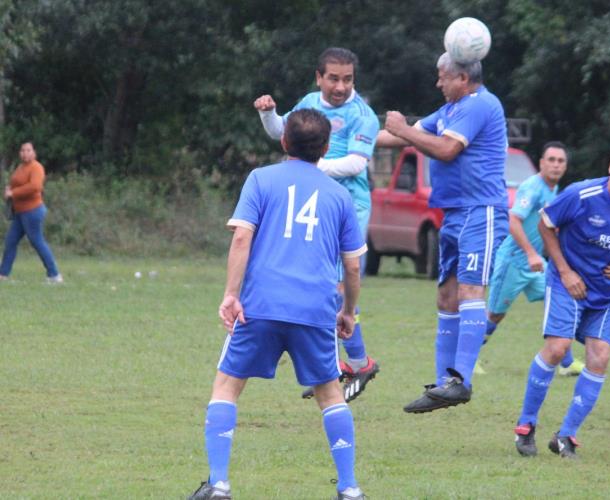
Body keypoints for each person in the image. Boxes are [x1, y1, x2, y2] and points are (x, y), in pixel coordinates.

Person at [187, 109, 367, 500]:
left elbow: (241, 240)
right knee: (330, 394)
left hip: (261, 306)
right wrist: (348, 312)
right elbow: (352, 266)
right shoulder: (339, 195)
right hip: (314, 310)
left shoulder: (260, 179)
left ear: (284, 141)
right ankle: (349, 489)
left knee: (227, 386)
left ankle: (218, 484)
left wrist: (231, 295)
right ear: (325, 149)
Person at [376, 52, 509, 413]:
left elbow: (447, 150)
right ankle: (442, 385)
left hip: (480, 211)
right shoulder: (449, 110)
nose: (438, 83)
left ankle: (461, 381)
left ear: (462, 78)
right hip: (453, 213)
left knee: (469, 290)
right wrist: (344, 137)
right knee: (446, 296)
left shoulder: (480, 104)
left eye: (443, 77)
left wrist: (402, 128)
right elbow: (402, 137)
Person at [513, 140, 610, 459]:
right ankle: (526, 426)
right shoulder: (580, 194)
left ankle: (566, 436)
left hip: (606, 294)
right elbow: (545, 225)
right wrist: (564, 272)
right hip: (567, 284)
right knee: (557, 348)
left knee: (600, 357)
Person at [253, 47, 380, 402]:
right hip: (313, 202)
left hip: (347, 206)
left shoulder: (363, 115)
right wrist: (269, 114)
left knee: (337, 286)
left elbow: (355, 164)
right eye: (334, 78)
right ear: (319, 77)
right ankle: (336, 365)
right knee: (317, 284)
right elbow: (284, 132)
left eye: (348, 79)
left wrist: (308, 166)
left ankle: (356, 362)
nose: (341, 86)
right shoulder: (309, 101)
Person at [486, 142, 584, 376]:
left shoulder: (554, 190)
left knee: (560, 299)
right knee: (494, 314)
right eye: (551, 160)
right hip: (513, 262)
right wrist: (531, 253)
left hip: (536, 265)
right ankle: (465, 359)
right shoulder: (532, 187)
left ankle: (567, 363)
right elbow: (513, 220)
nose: (556, 165)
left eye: (560, 161)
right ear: (541, 163)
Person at [0, 142, 62, 283]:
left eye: (28, 150)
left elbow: (35, 187)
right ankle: (3, 273)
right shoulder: (21, 167)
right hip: (20, 213)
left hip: (32, 211)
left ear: (34, 152)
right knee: (10, 241)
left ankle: (54, 274)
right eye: (22, 150)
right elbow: (15, 183)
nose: (25, 153)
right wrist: (8, 190)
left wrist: (13, 193)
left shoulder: (36, 167)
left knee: (37, 241)